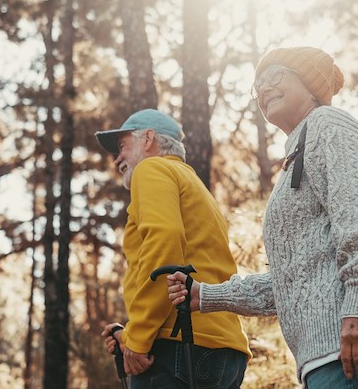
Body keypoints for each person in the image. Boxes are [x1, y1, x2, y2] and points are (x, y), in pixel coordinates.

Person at [168, 47, 358, 388]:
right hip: (330, 357)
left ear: (310, 83)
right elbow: (295, 280)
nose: (264, 88)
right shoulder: (296, 153)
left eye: (275, 76)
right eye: (258, 84)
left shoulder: (329, 124)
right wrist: (207, 295)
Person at [96, 108, 250, 388]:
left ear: (148, 139)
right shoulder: (196, 186)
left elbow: (164, 244)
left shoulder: (151, 168)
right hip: (226, 354)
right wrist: (128, 335)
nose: (117, 159)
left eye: (121, 146)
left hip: (177, 348)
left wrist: (138, 339)